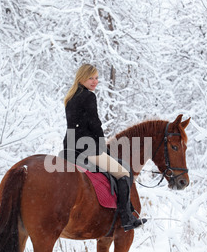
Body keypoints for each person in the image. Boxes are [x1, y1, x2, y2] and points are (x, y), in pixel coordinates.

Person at [62, 63, 147, 232]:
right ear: (82, 78)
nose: (95, 82)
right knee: (123, 173)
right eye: (91, 78)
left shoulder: (70, 98)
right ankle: (126, 218)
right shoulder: (88, 97)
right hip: (87, 149)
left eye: (96, 78)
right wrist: (102, 147)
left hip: (70, 148)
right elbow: (94, 124)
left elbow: (76, 126)